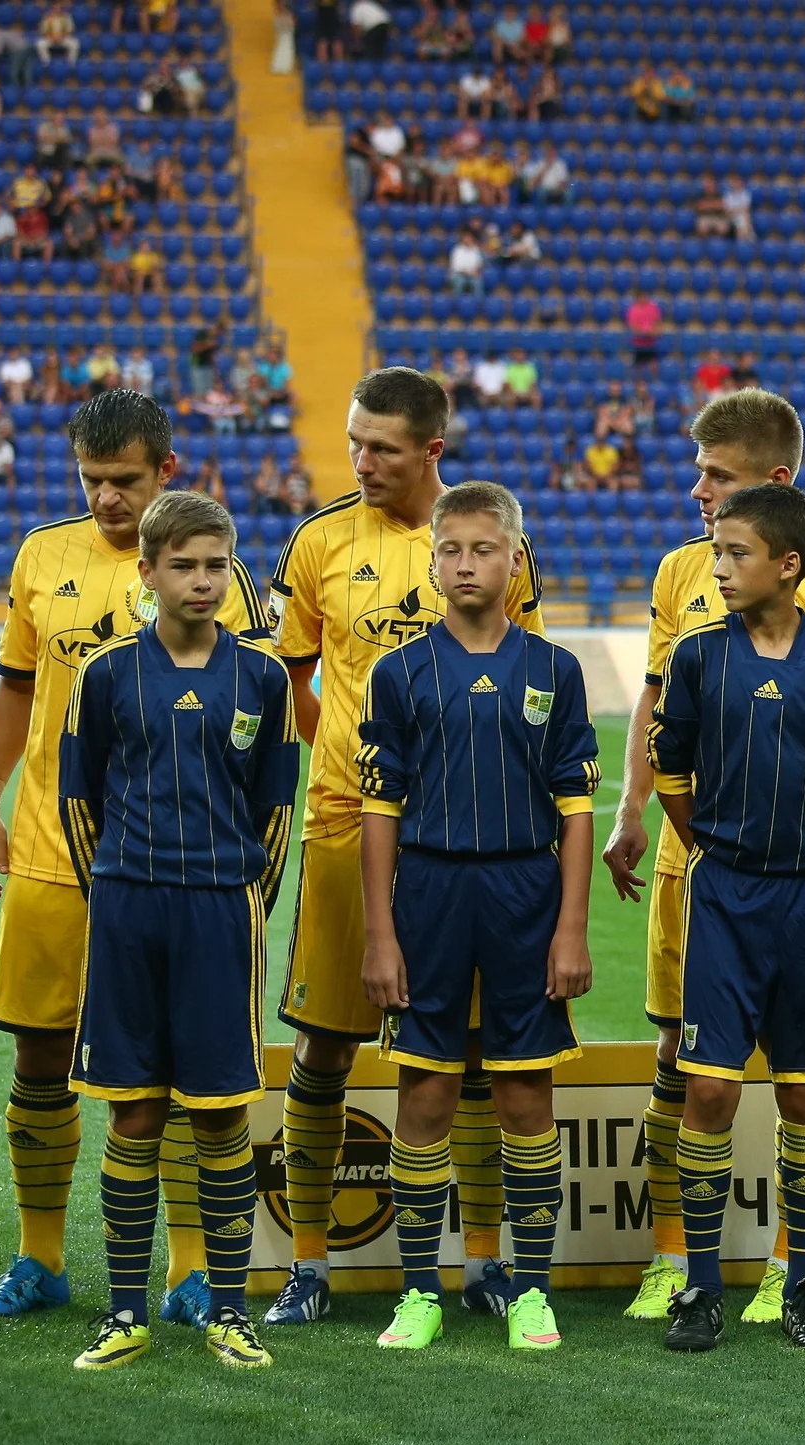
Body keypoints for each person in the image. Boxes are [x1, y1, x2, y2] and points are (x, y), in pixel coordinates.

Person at [0, 393, 271, 1324]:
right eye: (90, 479)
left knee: (177, 1071)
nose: (105, 497)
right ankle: (40, 1257)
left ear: (165, 471)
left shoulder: (212, 570)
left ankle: (188, 1271)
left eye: (124, 480)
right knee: (38, 1051)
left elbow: (251, 722)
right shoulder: (41, 555)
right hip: (50, 853)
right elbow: (16, 688)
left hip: (172, 868)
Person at [597, 389, 805, 1327]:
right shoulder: (685, 605)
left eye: (716, 480)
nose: (698, 496)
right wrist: (652, 817)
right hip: (710, 876)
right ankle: (682, 1268)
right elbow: (662, 731)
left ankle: (791, 1276)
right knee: (690, 1065)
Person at [263, 368, 548, 1328]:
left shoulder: (489, 542)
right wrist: (351, 758)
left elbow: (524, 677)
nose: (361, 461)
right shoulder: (319, 541)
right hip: (349, 825)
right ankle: (309, 1263)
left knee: (467, 1053)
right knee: (325, 1043)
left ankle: (483, 1263)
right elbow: (290, 678)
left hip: (467, 841)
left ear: (432, 450)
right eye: (354, 441)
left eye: (381, 447)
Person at [57, 490, 298, 1372]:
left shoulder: (263, 678)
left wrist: (240, 900)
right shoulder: (105, 674)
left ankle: (229, 1309)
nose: (201, 581)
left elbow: (276, 810)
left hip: (221, 912)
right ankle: (125, 1311)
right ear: (148, 571)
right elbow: (78, 799)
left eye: (215, 566)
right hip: (127, 907)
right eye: (183, 566)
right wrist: (117, 890)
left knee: (222, 1113)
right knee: (134, 1113)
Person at [360, 481, 595, 1353]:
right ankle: (418, 1290)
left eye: (483, 549)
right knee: (425, 1090)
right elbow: (378, 810)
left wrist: (570, 926)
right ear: (432, 565)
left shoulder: (555, 670)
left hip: (525, 895)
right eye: (450, 550)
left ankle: (530, 1289)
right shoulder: (398, 672)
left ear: (515, 559)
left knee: (524, 1091)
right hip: (427, 895)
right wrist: (380, 933)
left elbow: (576, 809)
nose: (466, 564)